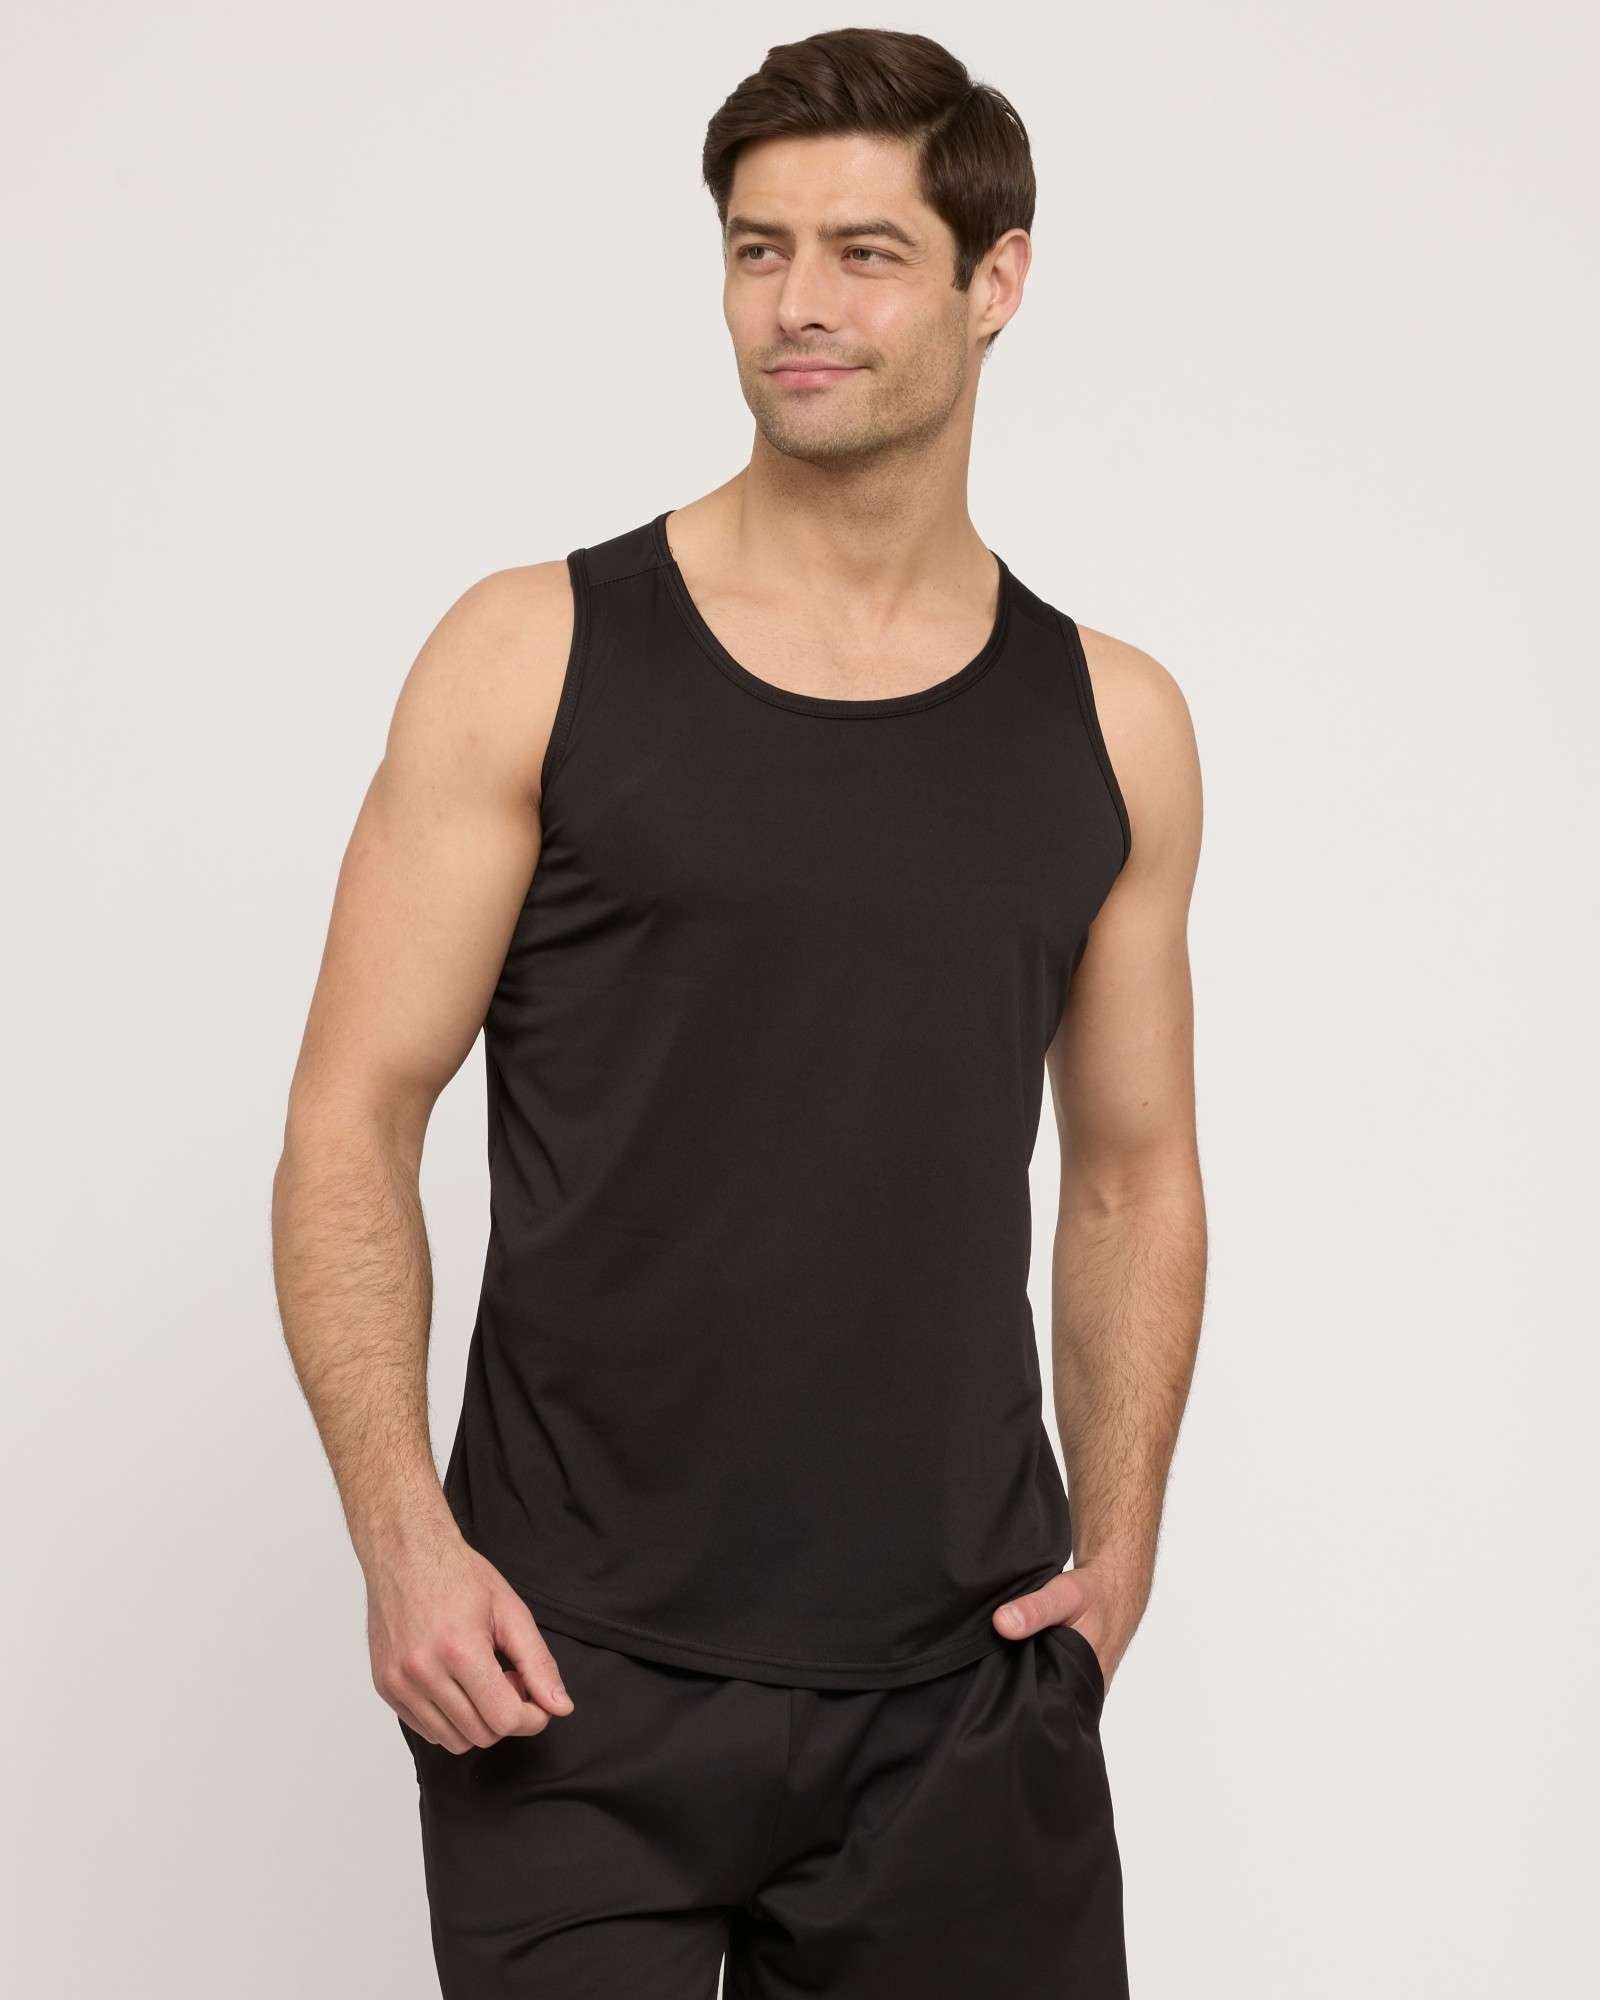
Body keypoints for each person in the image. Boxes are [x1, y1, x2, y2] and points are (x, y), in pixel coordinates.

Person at [272, 25, 1205, 1999]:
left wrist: (1116, 1546)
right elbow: (353, 1114)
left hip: (962, 1687)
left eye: (866, 254)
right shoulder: (530, 653)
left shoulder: (1110, 723)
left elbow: (1132, 1175)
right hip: (563, 1675)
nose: (796, 305)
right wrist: (403, 1540)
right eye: (757, 249)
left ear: (996, 280)